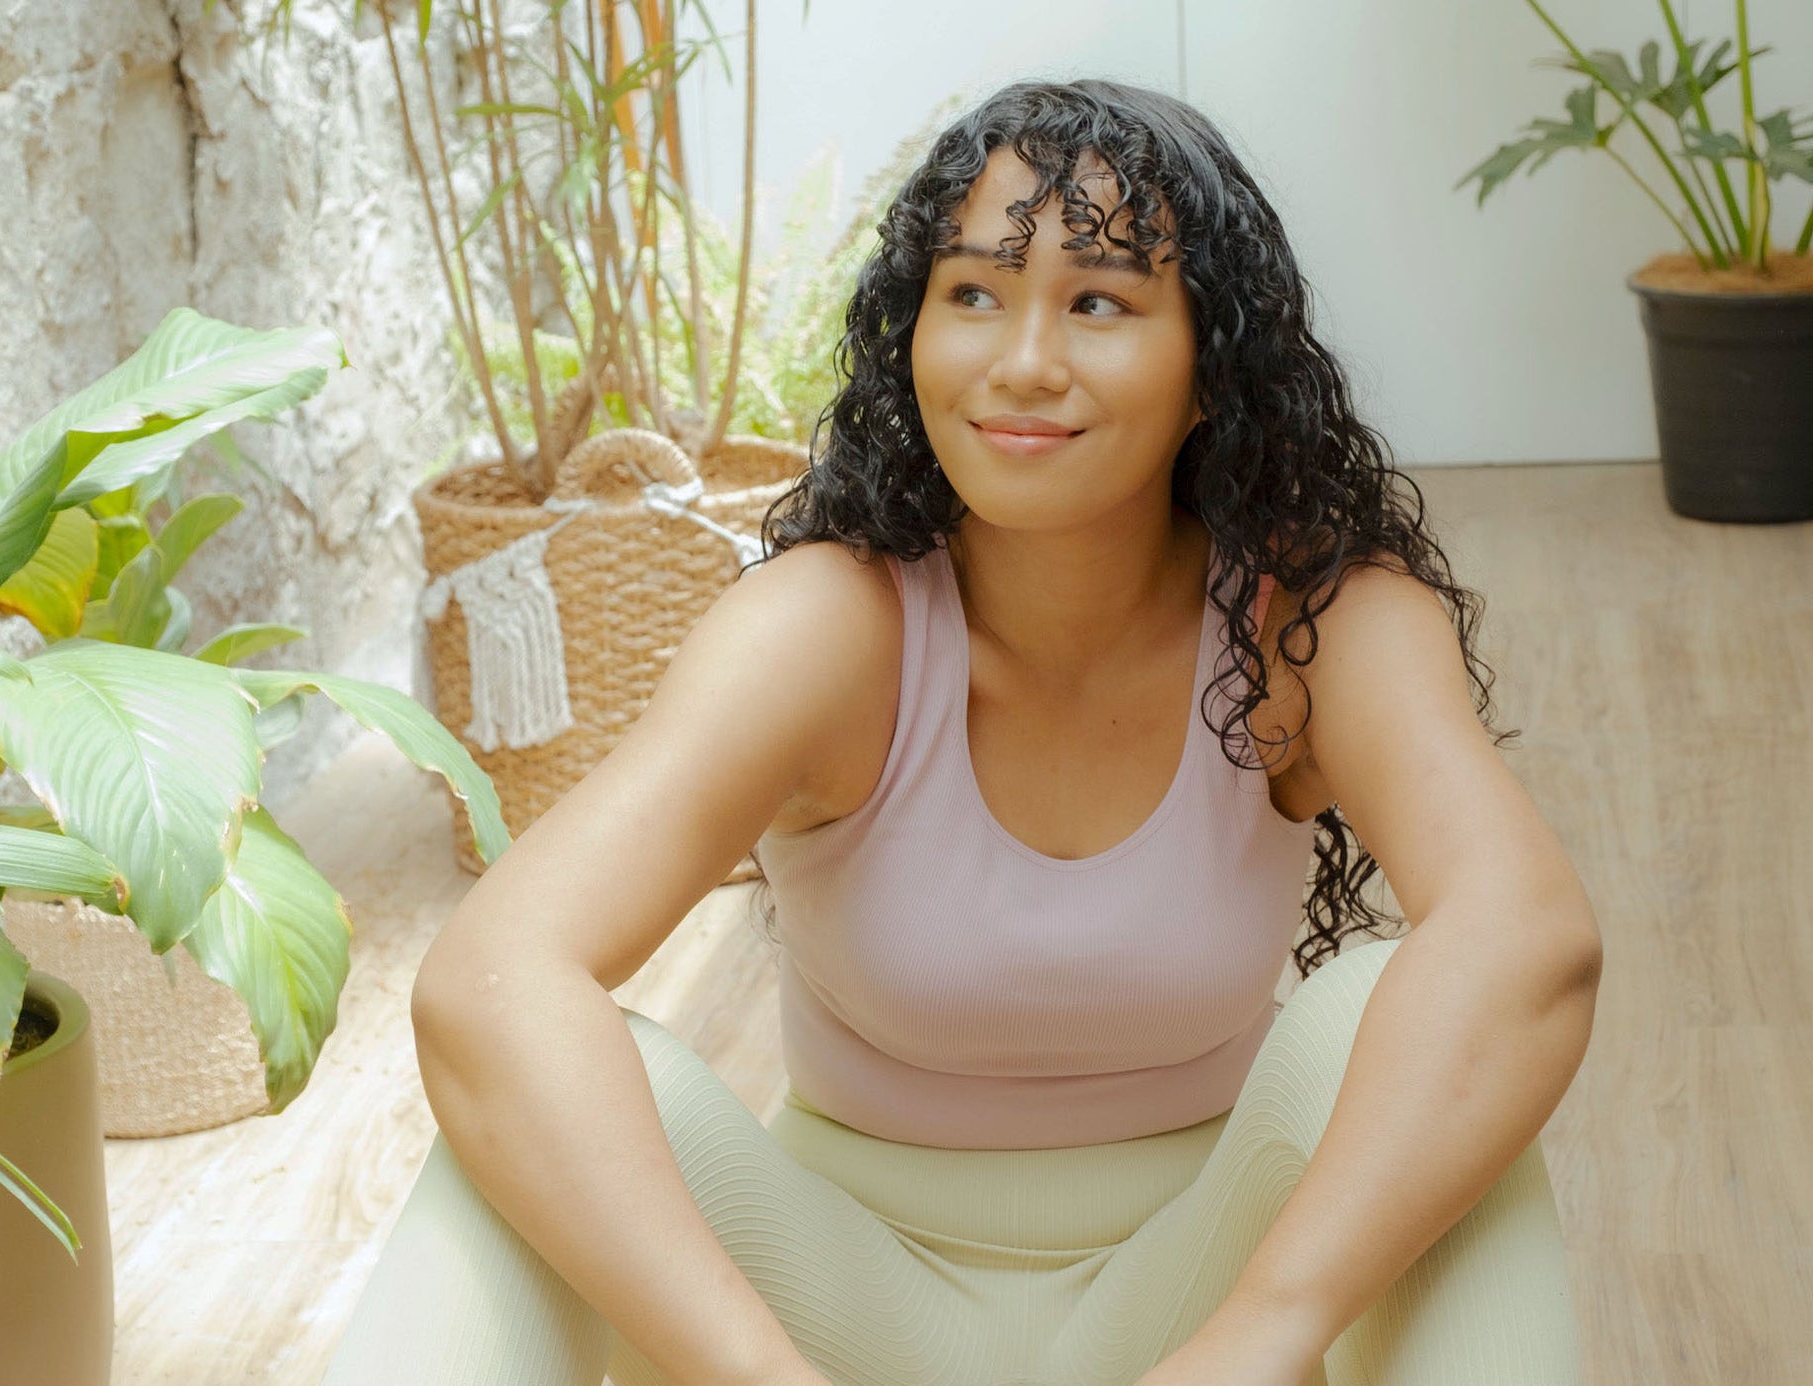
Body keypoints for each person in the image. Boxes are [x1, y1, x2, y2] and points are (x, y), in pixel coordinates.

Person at [324, 78, 1602, 1386]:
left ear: (1214, 363)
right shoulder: (826, 627)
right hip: (834, 1307)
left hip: (1195, 1293)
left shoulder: (1314, 625)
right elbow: (490, 979)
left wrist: (1265, 1333)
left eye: (1098, 301)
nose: (1023, 359)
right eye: (975, 293)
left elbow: (1532, 941)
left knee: (1424, 1017)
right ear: (913, 331)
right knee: (538, 1076)